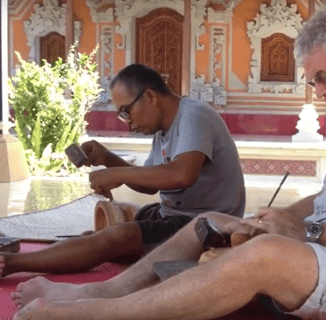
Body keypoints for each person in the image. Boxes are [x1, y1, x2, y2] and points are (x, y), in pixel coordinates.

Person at [11, 5, 326, 320]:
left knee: (264, 254)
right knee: (211, 220)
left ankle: (98, 314)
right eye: (312, 81)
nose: (319, 92)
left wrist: (303, 231)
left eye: (322, 78)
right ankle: (97, 290)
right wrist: (281, 216)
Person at [0, 63, 245, 277]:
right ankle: (96, 247)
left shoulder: (194, 116)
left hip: (204, 226)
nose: (127, 121)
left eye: (126, 111)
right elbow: (149, 187)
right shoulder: (163, 129)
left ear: (149, 96)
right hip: (172, 217)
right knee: (102, 234)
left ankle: (9, 263)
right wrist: (108, 159)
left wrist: (117, 174)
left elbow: (182, 174)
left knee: (118, 236)